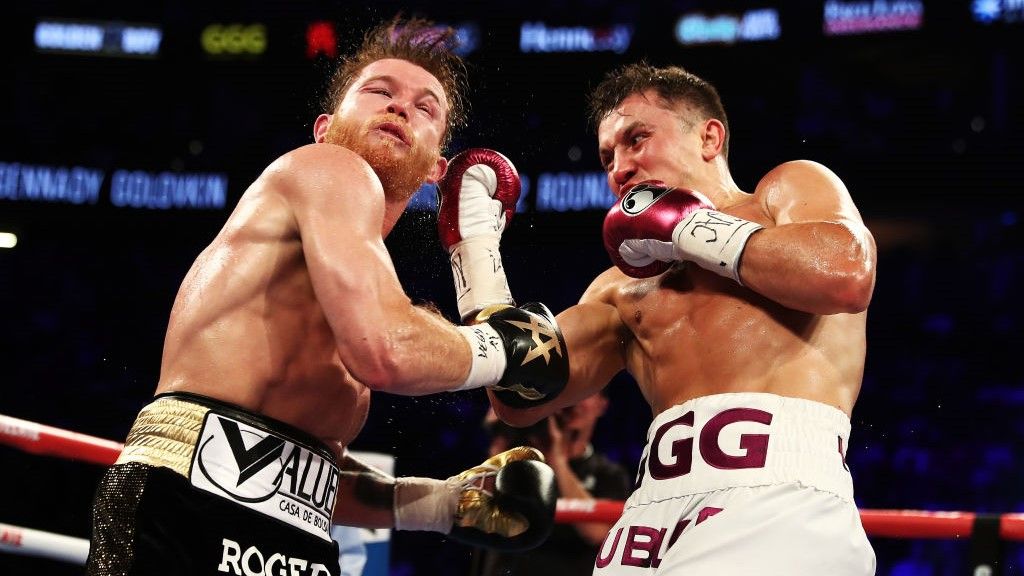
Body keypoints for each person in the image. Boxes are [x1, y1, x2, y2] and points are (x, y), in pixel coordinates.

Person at [85, 17, 570, 576]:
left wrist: (442, 505)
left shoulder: (365, 289)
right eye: (378, 92)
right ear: (325, 128)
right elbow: (386, 352)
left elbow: (302, 473)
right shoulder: (326, 168)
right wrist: (507, 348)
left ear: (438, 169)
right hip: (187, 511)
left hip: (299, 540)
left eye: (424, 108)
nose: (398, 108)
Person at [442, 62, 878, 574]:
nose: (620, 167)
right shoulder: (618, 290)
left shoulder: (783, 193)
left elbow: (845, 274)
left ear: (709, 138)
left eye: (636, 139)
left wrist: (690, 227)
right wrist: (477, 258)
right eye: (608, 157)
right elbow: (520, 396)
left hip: (778, 498)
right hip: (652, 514)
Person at [474, 391, 632, 576]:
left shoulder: (609, 474)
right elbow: (478, 502)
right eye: (571, 397)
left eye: (587, 393)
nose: (576, 404)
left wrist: (557, 460)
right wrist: (503, 428)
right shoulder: (520, 459)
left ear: (602, 405)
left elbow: (598, 532)